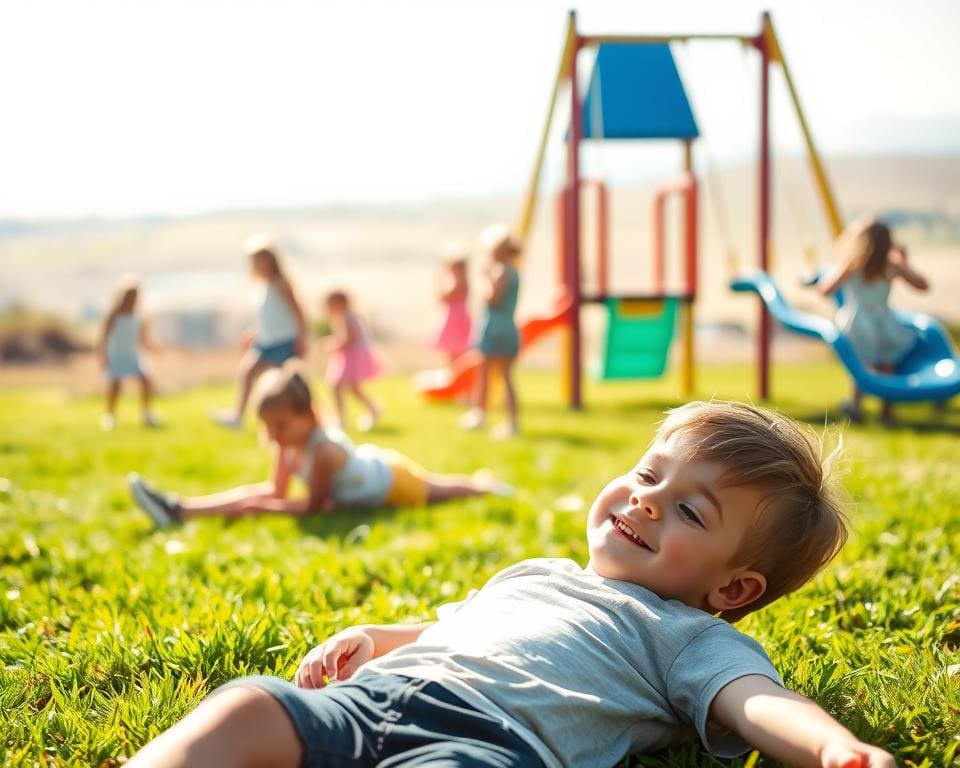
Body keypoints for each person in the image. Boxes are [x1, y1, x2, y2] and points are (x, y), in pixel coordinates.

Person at [126, 400, 896, 768]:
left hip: (486, 746)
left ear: (733, 589)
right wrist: (377, 638)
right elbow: (450, 628)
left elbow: (757, 702)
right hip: (374, 699)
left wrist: (834, 749)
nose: (646, 500)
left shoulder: (687, 638)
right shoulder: (540, 573)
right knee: (247, 705)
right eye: (646, 474)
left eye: (689, 510)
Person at [129, 364, 509, 528]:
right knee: (252, 500)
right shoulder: (285, 444)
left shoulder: (323, 451)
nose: (274, 434)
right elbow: (272, 491)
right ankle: (180, 509)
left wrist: (265, 510)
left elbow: (315, 508)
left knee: (443, 490)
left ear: (308, 415)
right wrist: (256, 504)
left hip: (392, 481)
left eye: (281, 424)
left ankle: (485, 485)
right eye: (267, 426)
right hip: (372, 470)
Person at [819, 217, 929, 423]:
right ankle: (886, 410)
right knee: (887, 364)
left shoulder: (852, 265)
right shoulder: (892, 266)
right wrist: (905, 263)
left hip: (857, 321)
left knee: (861, 364)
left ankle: (855, 404)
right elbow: (923, 285)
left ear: (859, 242)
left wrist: (840, 268)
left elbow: (825, 288)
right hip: (884, 322)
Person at [211, 234, 307, 429]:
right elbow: (268, 315)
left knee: (286, 385)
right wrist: (253, 332)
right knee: (247, 372)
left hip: (283, 341)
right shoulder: (262, 286)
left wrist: (302, 338)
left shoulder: (281, 283)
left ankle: (295, 419)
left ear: (271, 260)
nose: (257, 264)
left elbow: (298, 312)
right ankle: (238, 416)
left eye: (260, 259)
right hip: (266, 341)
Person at [460, 223, 521, 438]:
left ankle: (487, 416)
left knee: (488, 374)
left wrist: (485, 277)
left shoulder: (500, 271)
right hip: (507, 328)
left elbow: (492, 299)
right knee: (501, 375)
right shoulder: (513, 271)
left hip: (496, 330)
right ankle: (497, 417)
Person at [97, 275, 160, 431]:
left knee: (146, 381)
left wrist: (155, 348)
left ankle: (147, 413)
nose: (133, 299)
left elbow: (143, 339)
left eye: (135, 296)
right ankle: (110, 415)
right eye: (130, 296)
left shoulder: (139, 317)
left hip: (133, 357)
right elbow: (103, 338)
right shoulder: (113, 316)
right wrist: (102, 356)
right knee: (115, 386)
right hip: (116, 356)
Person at [324, 290, 382, 432]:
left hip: (352, 357)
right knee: (353, 389)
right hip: (351, 357)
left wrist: (331, 345)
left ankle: (340, 419)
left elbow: (349, 339)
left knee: (336, 385)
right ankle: (373, 408)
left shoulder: (347, 317)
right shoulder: (347, 316)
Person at [432, 245, 472, 364]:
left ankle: (455, 374)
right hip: (457, 317)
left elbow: (445, 298)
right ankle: (454, 374)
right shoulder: (462, 281)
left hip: (456, 319)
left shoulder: (459, 281)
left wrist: (438, 282)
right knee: (454, 351)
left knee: (455, 350)